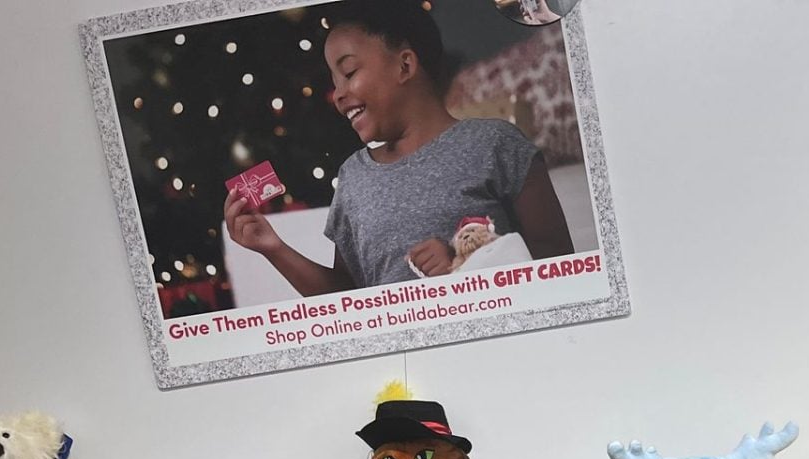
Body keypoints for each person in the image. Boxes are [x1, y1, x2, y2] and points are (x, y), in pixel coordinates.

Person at [224, 0, 574, 294]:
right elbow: (348, 299)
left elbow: (559, 263)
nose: (338, 94)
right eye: (334, 81)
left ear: (405, 65)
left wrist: (462, 262)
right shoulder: (354, 177)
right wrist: (274, 248)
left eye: (349, 72)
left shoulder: (496, 144)